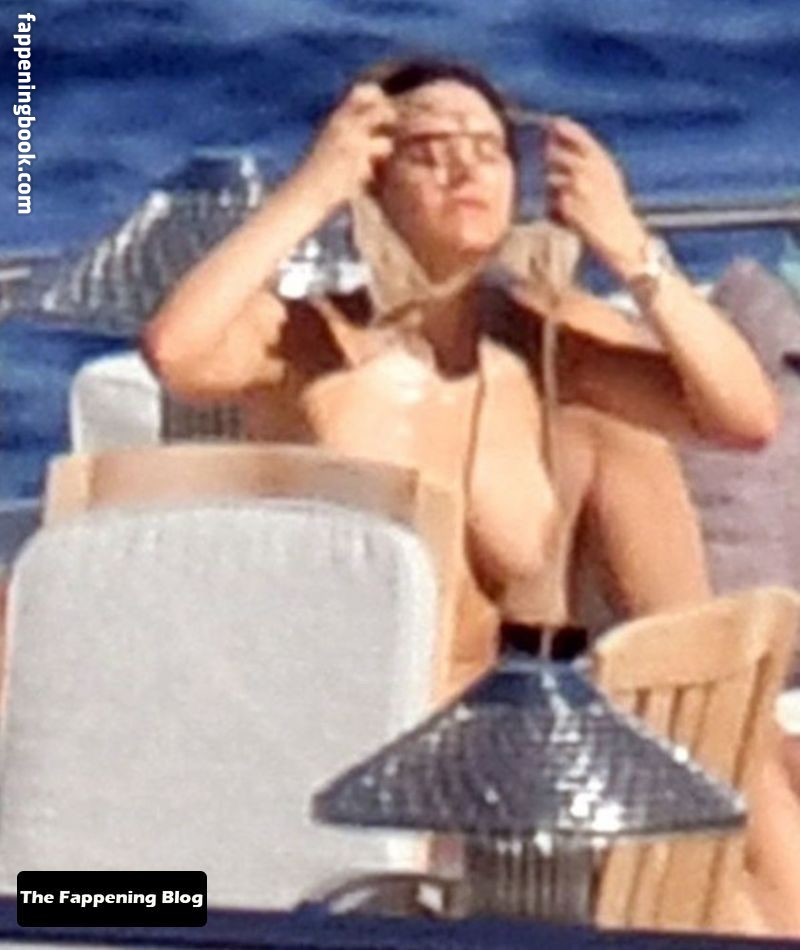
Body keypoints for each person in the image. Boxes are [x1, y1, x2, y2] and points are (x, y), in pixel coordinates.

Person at [141, 57, 776, 680]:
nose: (466, 168)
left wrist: (629, 246)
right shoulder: (307, 342)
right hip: (342, 713)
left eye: (489, 150)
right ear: (371, 182)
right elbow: (176, 352)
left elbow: (745, 419)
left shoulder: (546, 343)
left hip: (495, 716)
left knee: (625, 438)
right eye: (430, 151)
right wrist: (312, 191)